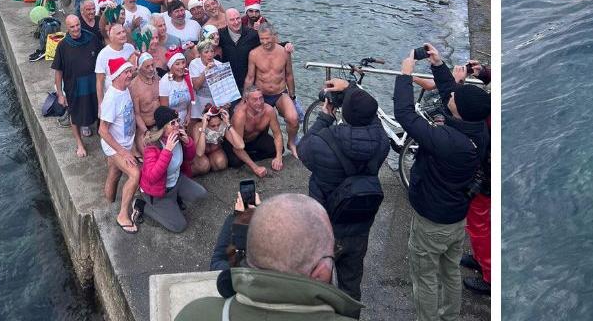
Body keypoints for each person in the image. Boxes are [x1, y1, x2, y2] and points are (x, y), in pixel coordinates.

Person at [394, 46, 489, 321]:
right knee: (450, 272)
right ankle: (450, 316)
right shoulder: (476, 129)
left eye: (456, 97)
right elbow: (452, 97)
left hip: (432, 223)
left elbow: (405, 114)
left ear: (459, 110)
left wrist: (405, 75)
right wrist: (438, 64)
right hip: (456, 218)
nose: (452, 94)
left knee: (424, 277)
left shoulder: (448, 142)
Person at [175, 194, 362, 321]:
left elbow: (221, 259)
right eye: (333, 251)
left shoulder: (194, 314)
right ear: (320, 272)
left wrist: (245, 218)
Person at [299, 82, 390, 307]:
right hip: (359, 224)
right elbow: (372, 117)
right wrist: (350, 89)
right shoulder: (382, 142)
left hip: (325, 225)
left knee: (319, 284)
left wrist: (324, 117)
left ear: (344, 113)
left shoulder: (324, 142)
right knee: (351, 285)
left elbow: (303, 150)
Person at [139, 105, 208, 233]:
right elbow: (151, 177)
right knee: (179, 226)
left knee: (202, 194)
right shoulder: (152, 147)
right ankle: (142, 206)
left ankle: (174, 199)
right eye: (172, 123)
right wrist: (167, 151)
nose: (177, 125)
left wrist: (188, 142)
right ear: (163, 129)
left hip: (176, 181)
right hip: (159, 192)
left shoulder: (178, 138)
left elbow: (190, 157)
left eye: (177, 121)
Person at [99, 57, 143, 234]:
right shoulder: (111, 98)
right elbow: (102, 130)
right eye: (126, 72)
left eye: (130, 71)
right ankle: (122, 215)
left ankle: (108, 203)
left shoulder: (123, 88)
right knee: (135, 173)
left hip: (125, 142)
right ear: (116, 76)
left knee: (115, 173)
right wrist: (124, 152)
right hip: (115, 146)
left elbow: (137, 71)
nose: (129, 74)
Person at [52, 14, 103, 158]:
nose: (76, 29)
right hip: (74, 88)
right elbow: (58, 71)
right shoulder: (63, 45)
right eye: (72, 27)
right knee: (75, 116)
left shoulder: (92, 38)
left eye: (77, 25)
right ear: (67, 28)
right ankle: (80, 144)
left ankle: (104, 137)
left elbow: (102, 59)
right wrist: (60, 94)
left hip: (94, 85)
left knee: (100, 112)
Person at [246, 23, 300, 157]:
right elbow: (250, 77)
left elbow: (289, 75)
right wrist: (245, 98)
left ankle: (291, 142)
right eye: (262, 39)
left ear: (274, 37)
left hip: (280, 93)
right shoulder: (254, 54)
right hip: (262, 94)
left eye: (267, 38)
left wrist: (292, 96)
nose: (265, 42)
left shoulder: (284, 52)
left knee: (293, 119)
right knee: (258, 126)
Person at [224, 84, 286, 176]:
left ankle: (249, 156)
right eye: (255, 99)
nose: (259, 102)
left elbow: (277, 135)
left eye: (261, 98)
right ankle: (248, 158)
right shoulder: (240, 115)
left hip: (254, 139)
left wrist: (279, 158)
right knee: (235, 162)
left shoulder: (269, 110)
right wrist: (255, 168)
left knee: (277, 149)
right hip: (238, 142)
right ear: (246, 101)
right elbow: (237, 146)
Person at [95, 23, 138, 109]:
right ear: (111, 37)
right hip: (113, 99)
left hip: (129, 95)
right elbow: (99, 81)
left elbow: (134, 72)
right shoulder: (103, 54)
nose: (123, 35)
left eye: (123, 32)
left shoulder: (130, 48)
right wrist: (100, 104)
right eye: (119, 33)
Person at [219, 8, 261, 92]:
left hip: (248, 82)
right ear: (226, 22)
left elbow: (266, 46)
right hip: (228, 84)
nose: (236, 22)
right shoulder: (220, 35)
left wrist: (286, 44)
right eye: (232, 20)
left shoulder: (252, 34)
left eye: (238, 18)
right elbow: (206, 44)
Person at [191, 103, 238, 176]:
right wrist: (203, 129)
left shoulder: (222, 123)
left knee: (221, 163)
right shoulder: (197, 127)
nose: (216, 128)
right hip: (201, 154)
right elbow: (199, 153)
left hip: (215, 151)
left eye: (218, 125)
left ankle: (212, 168)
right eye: (213, 126)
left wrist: (228, 123)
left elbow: (238, 145)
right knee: (204, 166)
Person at [159, 49, 197, 126]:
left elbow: (191, 99)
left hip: (186, 118)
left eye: (183, 62)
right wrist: (174, 124)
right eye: (177, 64)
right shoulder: (165, 82)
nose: (181, 66)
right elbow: (164, 109)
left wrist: (189, 114)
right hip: (171, 121)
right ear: (171, 66)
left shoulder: (188, 76)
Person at [130, 52, 162, 135]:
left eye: (152, 65)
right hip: (145, 127)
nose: (151, 69)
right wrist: (146, 132)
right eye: (147, 66)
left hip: (162, 123)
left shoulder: (157, 78)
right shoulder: (134, 86)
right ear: (140, 68)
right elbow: (136, 114)